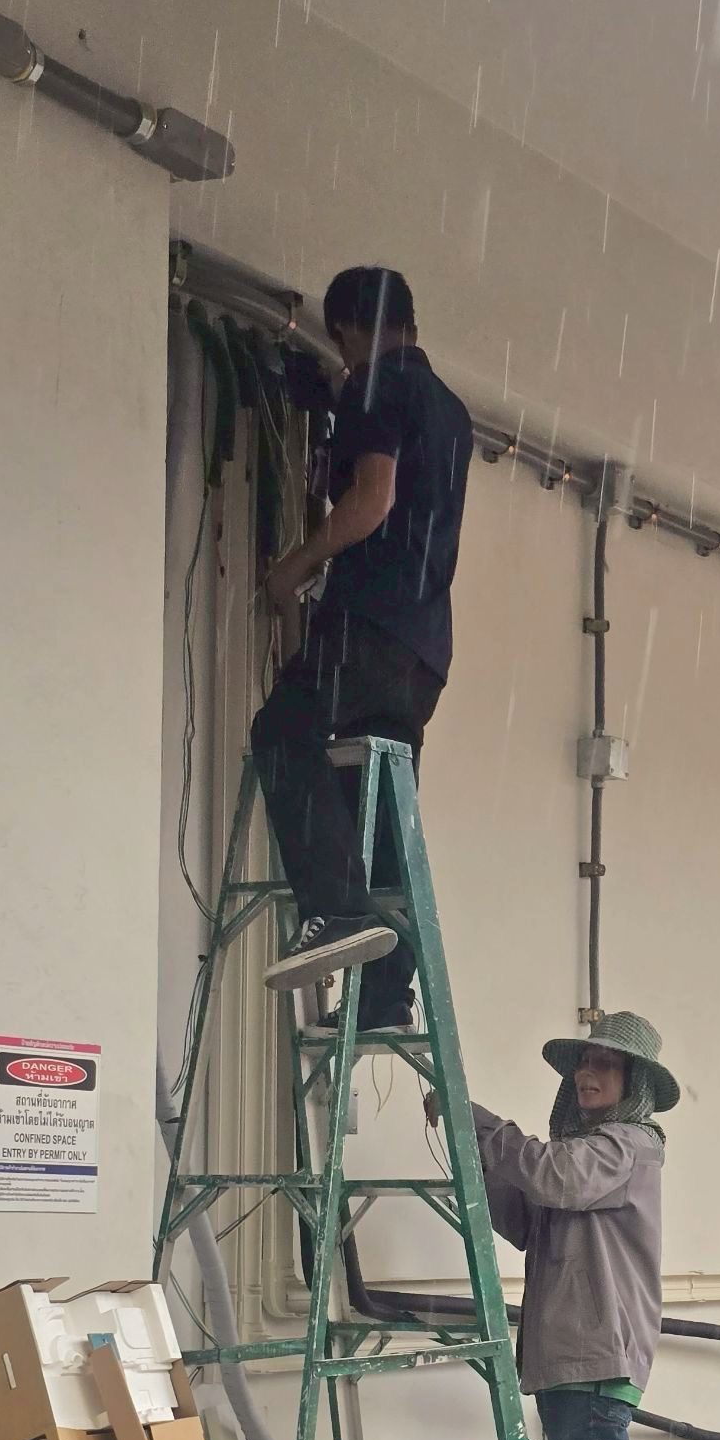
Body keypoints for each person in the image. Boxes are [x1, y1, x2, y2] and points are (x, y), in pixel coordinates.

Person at [430, 1013, 677, 1440]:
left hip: (592, 1355)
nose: (588, 1074)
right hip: (576, 1354)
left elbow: (554, 1176)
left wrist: (478, 1120)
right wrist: (476, 1151)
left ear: (635, 1082)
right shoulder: (591, 1154)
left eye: (607, 1065)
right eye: (584, 1063)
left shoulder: (628, 1144)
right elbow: (527, 1215)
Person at [253, 265, 473, 1021]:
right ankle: (383, 991)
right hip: (423, 649)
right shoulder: (449, 409)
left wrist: (295, 567)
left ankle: (337, 912)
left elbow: (373, 499)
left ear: (346, 329)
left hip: (367, 624)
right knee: (374, 806)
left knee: (281, 731)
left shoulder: (377, 387)